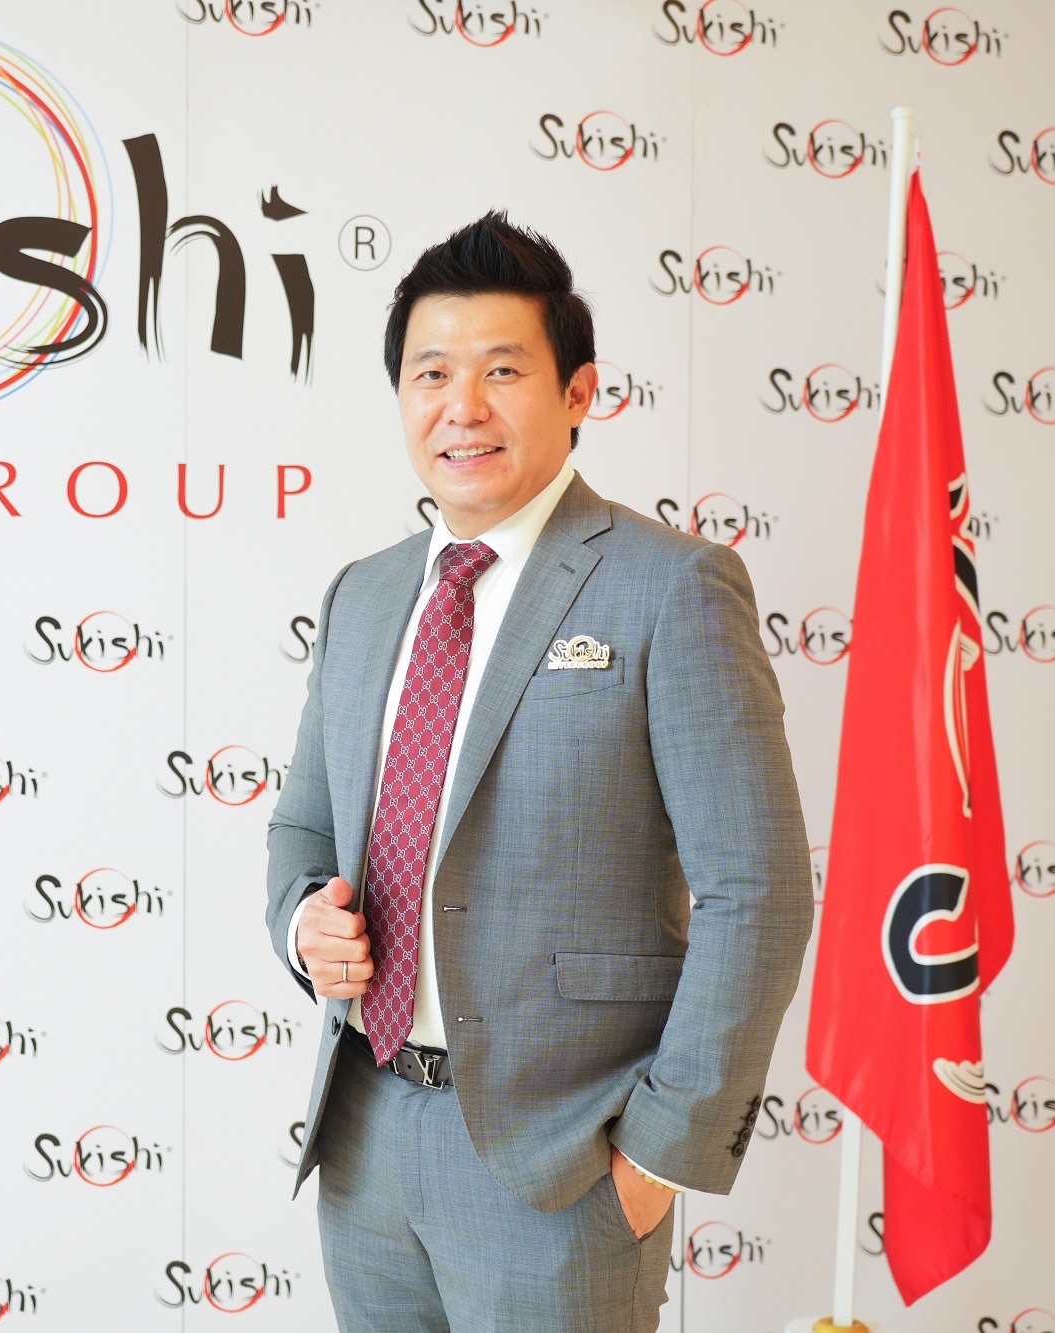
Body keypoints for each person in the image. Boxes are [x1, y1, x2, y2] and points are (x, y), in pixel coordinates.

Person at [265, 212, 814, 1332]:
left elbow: (757, 890)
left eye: (502, 370)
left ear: (578, 393)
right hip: (364, 1139)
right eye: (431, 373)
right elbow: (302, 833)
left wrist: (658, 1154)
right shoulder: (363, 595)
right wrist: (300, 923)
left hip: (561, 1165)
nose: (461, 407)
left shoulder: (671, 587)